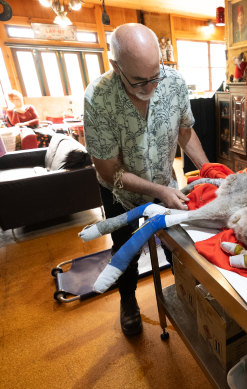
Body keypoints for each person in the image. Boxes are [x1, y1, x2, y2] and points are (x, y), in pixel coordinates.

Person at [83, 23, 209, 336]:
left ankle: (188, 291)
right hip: (119, 192)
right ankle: (128, 300)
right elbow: (109, 169)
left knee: (179, 244)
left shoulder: (174, 82)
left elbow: (185, 132)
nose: (151, 86)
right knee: (124, 247)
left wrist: (208, 170)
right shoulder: (99, 98)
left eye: (155, 75)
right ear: (116, 66)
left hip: (165, 181)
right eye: (140, 80)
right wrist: (158, 191)